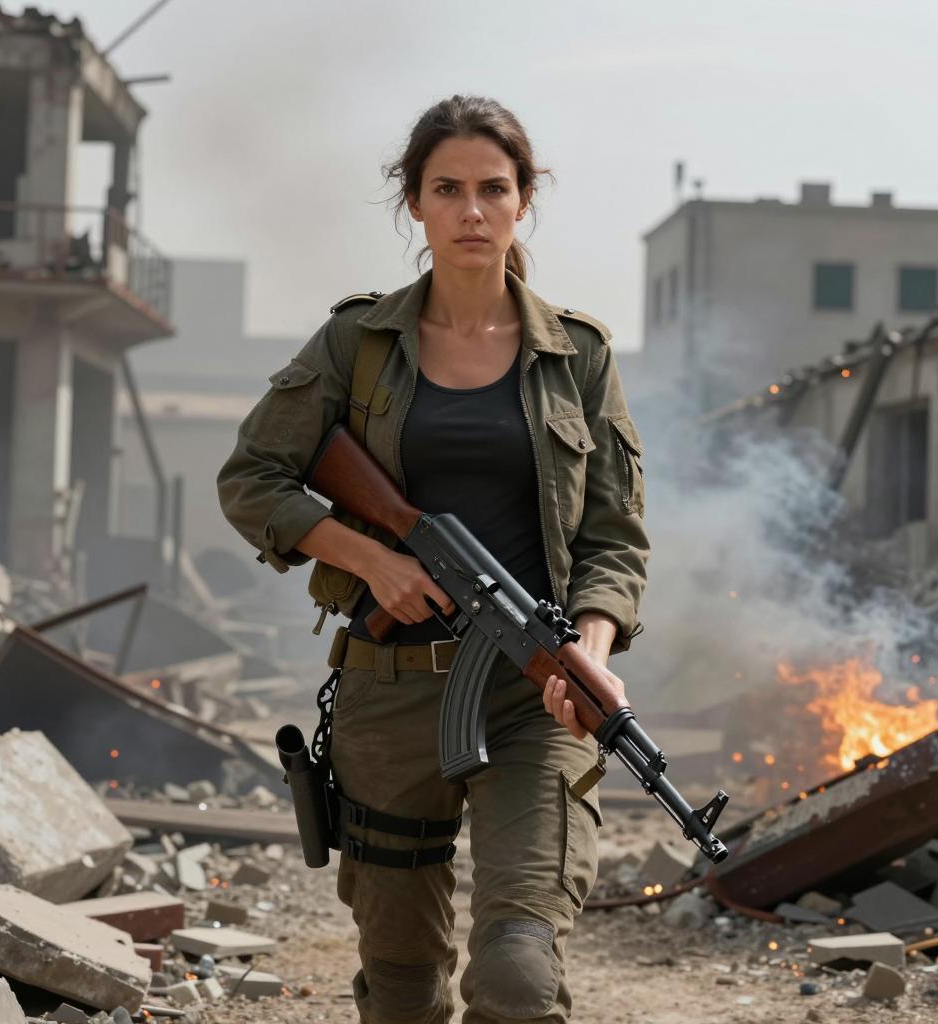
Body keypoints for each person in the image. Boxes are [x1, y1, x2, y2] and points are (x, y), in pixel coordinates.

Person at [217, 94, 650, 1024]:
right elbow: (253, 477)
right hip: (390, 695)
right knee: (404, 987)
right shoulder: (358, 343)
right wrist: (370, 560)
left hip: (535, 699)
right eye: (447, 189)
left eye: (493, 189)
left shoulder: (577, 354)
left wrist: (593, 659)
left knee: (518, 976)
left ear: (523, 202)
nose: (471, 210)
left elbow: (615, 534)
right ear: (413, 202)